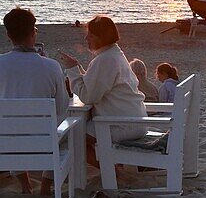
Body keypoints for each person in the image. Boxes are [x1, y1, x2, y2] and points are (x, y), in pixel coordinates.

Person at [0, 7, 71, 194]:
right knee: (65, 131)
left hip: (3, 147)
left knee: (10, 124)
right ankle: (46, 187)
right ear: (33, 32)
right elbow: (62, 107)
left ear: (8, 35)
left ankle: (25, 185)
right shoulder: (51, 66)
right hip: (42, 146)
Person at [57, 15, 147, 167]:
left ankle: (112, 174)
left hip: (121, 125)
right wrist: (78, 68)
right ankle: (114, 168)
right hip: (134, 119)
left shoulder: (105, 59)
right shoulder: (114, 54)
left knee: (75, 140)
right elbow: (98, 84)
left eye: (90, 35)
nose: (87, 38)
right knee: (81, 133)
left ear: (100, 37)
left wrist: (72, 70)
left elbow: (88, 96)